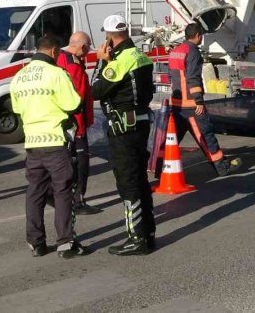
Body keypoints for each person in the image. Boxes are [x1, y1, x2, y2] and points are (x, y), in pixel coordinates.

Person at [10, 36, 89, 259]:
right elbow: (73, 103)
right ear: (54, 51)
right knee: (63, 191)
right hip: (55, 140)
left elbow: (17, 108)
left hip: (32, 143)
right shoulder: (56, 74)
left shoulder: (20, 76)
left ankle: (35, 242)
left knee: (35, 192)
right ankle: (65, 242)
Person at [91, 15, 157, 256]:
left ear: (110, 36)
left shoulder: (120, 60)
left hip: (123, 129)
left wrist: (102, 62)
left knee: (128, 183)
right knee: (140, 180)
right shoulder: (141, 56)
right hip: (140, 125)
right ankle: (148, 233)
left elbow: (96, 89)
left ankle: (136, 239)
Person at [168, 23, 241, 176]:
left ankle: (158, 166)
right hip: (191, 104)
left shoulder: (176, 50)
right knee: (206, 134)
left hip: (177, 103)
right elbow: (193, 77)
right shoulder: (193, 51)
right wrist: (199, 101)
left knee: (172, 139)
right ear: (198, 36)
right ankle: (222, 167)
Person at [57, 31, 102, 215]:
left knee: (65, 162)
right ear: (81, 47)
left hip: (61, 123)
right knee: (81, 163)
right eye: (86, 50)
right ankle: (78, 200)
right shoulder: (73, 64)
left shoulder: (59, 58)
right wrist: (81, 127)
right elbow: (79, 98)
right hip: (75, 124)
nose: (86, 54)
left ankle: (63, 197)